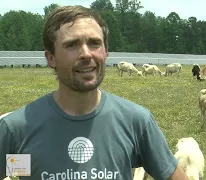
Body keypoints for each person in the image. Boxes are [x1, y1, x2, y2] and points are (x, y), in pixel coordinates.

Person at [0, 5, 188, 180]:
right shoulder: (18, 130)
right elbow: (24, 167)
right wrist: (26, 166)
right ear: (51, 58)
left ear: (106, 52)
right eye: (71, 45)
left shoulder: (136, 123)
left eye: (94, 43)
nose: (86, 54)